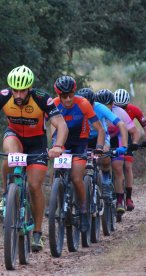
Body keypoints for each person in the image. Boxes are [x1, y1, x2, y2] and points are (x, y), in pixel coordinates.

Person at [0, 65, 68, 252]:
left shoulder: (42, 99)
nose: (17, 95)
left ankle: (37, 234)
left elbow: (61, 125)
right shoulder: (2, 96)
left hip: (37, 144)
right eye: (14, 90)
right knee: (12, 155)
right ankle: (5, 196)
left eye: (22, 90)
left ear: (29, 88)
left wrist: (57, 146)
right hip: (14, 136)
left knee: (34, 186)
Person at [51, 76, 105, 233]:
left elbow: (100, 129)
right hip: (62, 142)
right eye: (63, 96)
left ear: (74, 92)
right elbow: (47, 127)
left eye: (71, 95)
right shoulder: (54, 104)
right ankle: (55, 201)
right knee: (53, 170)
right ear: (58, 95)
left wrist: (99, 147)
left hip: (80, 143)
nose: (68, 99)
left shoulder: (82, 103)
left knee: (76, 177)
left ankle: (83, 212)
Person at [76, 88, 129, 199]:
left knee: (104, 157)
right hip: (83, 137)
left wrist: (124, 146)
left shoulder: (100, 107)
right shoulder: (75, 107)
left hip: (101, 136)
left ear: (93, 102)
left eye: (89, 104)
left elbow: (121, 124)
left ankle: (105, 181)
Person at [95, 89, 141, 214]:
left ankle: (120, 200)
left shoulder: (120, 112)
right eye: (101, 104)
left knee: (117, 167)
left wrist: (130, 145)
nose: (105, 107)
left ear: (112, 103)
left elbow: (134, 132)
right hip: (100, 140)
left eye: (108, 105)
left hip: (117, 140)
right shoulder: (94, 111)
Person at [113, 88, 146, 211]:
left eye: (123, 107)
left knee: (128, 166)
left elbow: (145, 126)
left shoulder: (134, 110)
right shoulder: (110, 109)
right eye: (118, 106)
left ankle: (128, 198)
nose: (121, 109)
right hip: (113, 138)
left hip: (127, 139)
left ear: (127, 104)